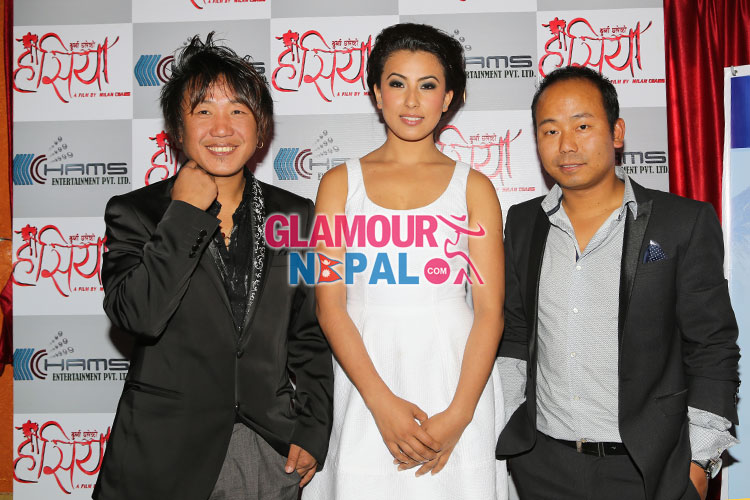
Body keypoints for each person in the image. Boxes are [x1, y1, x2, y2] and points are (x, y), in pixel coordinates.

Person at [93, 33, 333, 500]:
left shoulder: (295, 214)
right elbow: (138, 315)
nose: (222, 128)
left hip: (266, 446)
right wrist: (184, 214)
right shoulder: (135, 212)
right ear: (176, 130)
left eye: (238, 111)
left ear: (261, 129)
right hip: (164, 450)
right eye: (203, 111)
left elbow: (310, 332)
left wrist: (312, 427)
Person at [496, 65, 741, 500]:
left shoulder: (681, 222)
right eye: (550, 131)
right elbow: (515, 332)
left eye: (582, 126)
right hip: (543, 466)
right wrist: (512, 425)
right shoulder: (522, 222)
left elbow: (712, 346)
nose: (566, 145)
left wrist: (699, 463)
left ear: (617, 132)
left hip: (650, 470)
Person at [303, 23, 507, 500]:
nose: (412, 101)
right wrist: (380, 403)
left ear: (448, 98)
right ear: (377, 93)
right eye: (398, 83)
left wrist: (459, 415)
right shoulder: (338, 185)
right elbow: (329, 306)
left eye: (428, 86)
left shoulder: (474, 188)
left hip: (457, 374)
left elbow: (490, 312)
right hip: (363, 373)